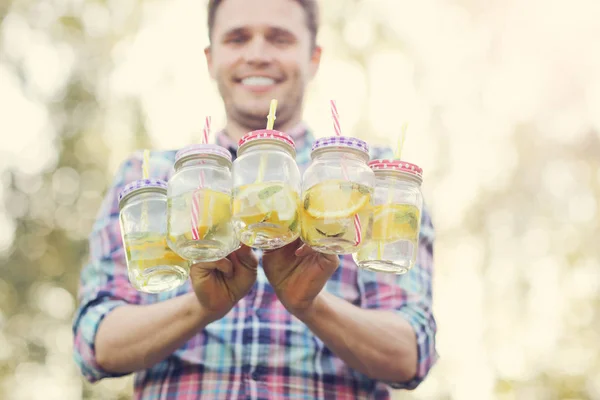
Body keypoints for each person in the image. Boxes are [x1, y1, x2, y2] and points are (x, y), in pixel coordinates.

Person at [72, 0, 438, 398]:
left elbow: (411, 354)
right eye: (237, 38)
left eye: (279, 38)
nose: (258, 55)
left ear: (314, 58)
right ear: (211, 59)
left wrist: (310, 304)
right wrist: (202, 307)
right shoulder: (149, 180)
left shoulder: (369, 177)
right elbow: (95, 344)